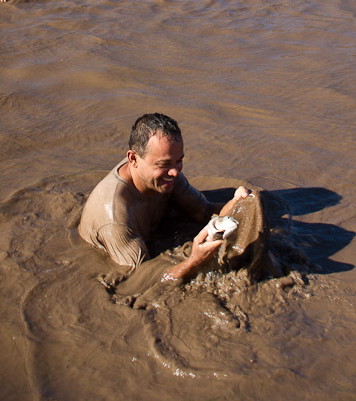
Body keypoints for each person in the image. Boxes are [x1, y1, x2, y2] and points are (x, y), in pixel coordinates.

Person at [78, 112, 251, 277]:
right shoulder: (115, 218)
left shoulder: (165, 175)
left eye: (179, 160)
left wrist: (238, 202)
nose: (175, 172)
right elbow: (138, 278)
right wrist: (194, 261)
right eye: (164, 164)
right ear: (133, 159)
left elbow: (203, 211)